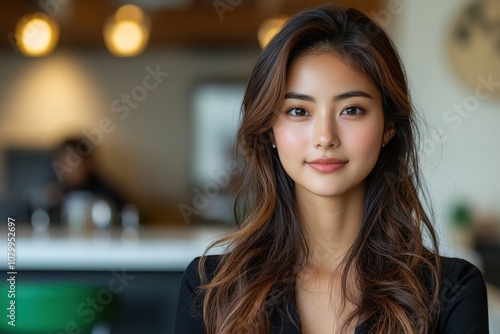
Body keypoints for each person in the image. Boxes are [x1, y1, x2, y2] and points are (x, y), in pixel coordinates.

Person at [175, 5, 489, 334]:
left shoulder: (451, 292)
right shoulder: (211, 287)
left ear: (388, 127)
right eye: (298, 110)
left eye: (352, 109)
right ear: (269, 129)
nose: (325, 137)